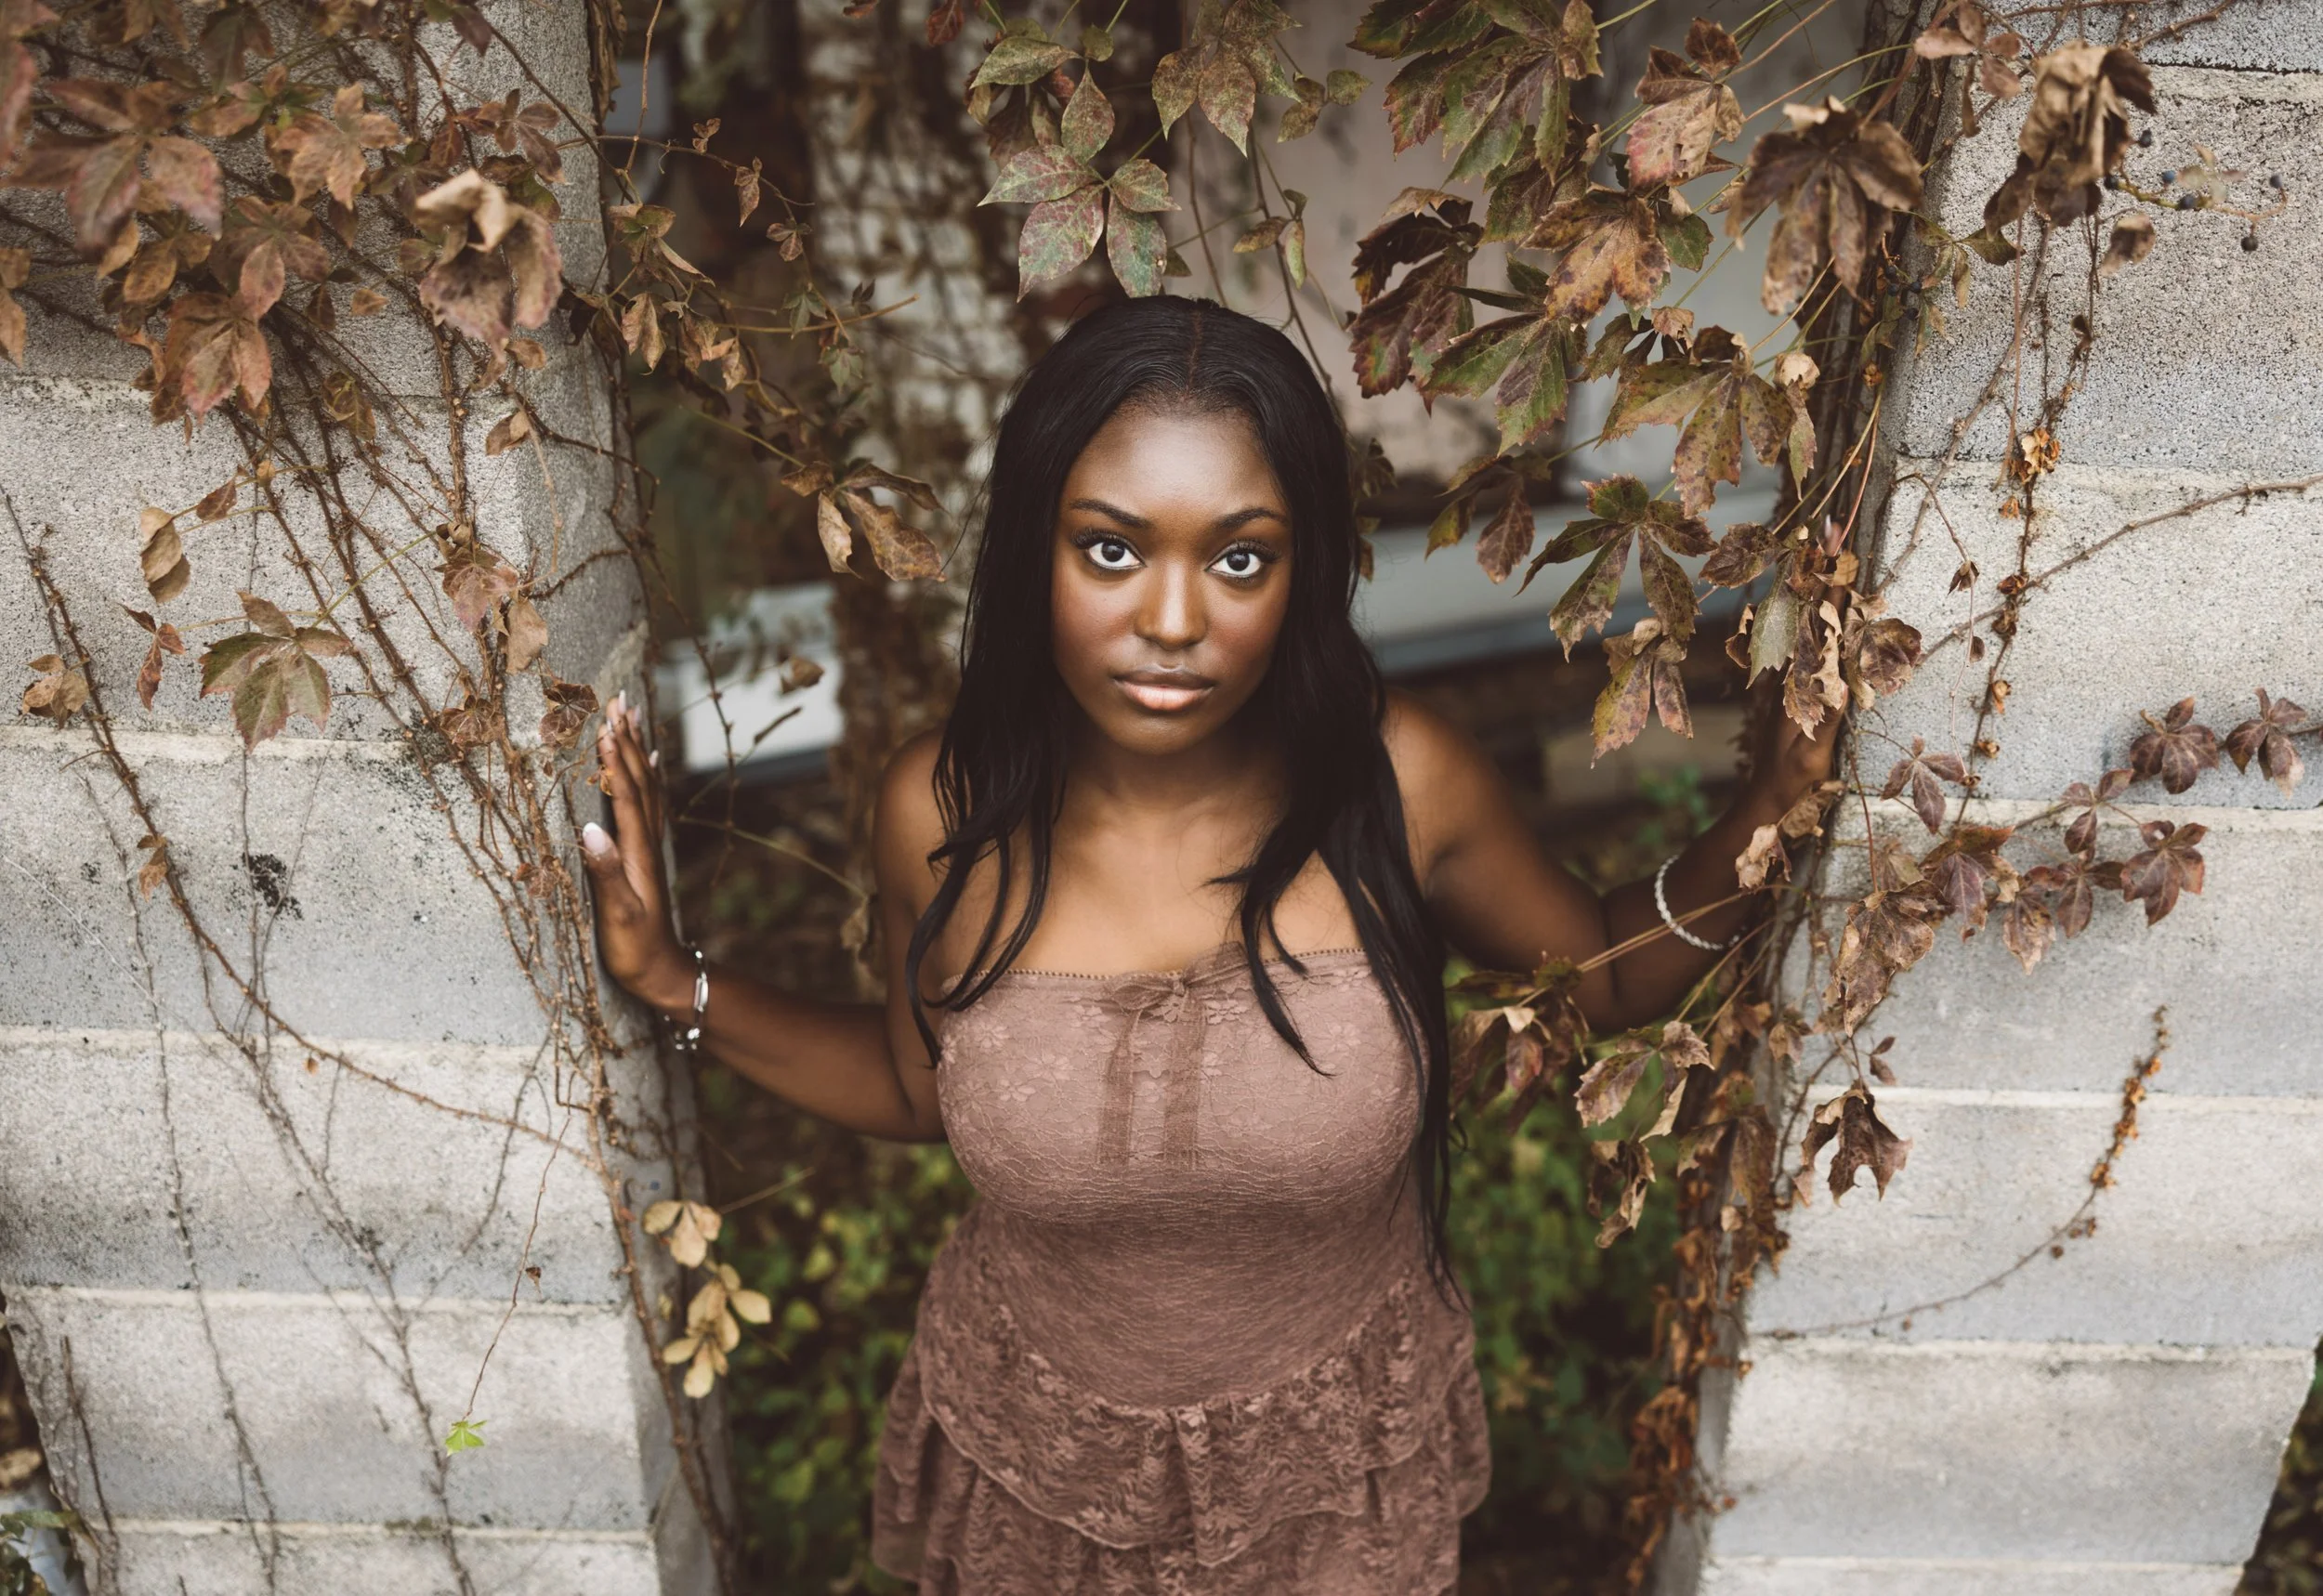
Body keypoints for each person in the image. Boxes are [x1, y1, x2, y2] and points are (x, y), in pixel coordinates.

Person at [580, 294, 1836, 1594]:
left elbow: (1608, 979)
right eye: (1111, 551)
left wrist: (1767, 809)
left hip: (1332, 1476)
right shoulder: (943, 812)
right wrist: (679, 982)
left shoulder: (1400, 784)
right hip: (1037, 1472)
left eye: (1240, 558)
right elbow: (915, 1084)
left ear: (1302, 576)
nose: (1174, 619)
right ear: (1032, 554)